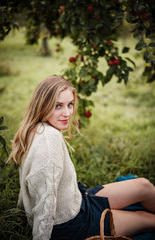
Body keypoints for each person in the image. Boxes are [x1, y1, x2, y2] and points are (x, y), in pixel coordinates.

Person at [8, 75, 155, 240]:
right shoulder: (50, 140)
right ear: (43, 105)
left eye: (69, 104)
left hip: (79, 201)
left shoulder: (32, 130)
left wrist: (20, 211)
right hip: (72, 225)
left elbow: (26, 181)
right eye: (58, 106)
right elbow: (46, 201)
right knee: (147, 219)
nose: (67, 113)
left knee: (144, 186)